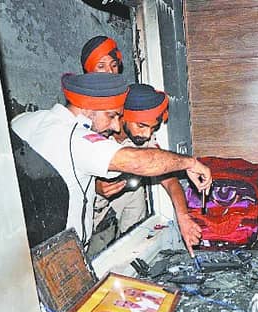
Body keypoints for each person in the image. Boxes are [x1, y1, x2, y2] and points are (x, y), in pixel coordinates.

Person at [10, 72, 211, 249]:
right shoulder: (77, 139)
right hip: (58, 253)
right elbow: (138, 161)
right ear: (89, 107)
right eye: (112, 115)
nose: (116, 126)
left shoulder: (24, 120)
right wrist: (191, 163)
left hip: (24, 242)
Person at [80, 36, 203, 255]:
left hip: (127, 203)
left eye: (113, 65)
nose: (147, 135)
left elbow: (167, 177)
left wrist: (184, 218)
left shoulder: (138, 123)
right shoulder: (87, 126)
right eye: (100, 66)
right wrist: (96, 187)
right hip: (91, 215)